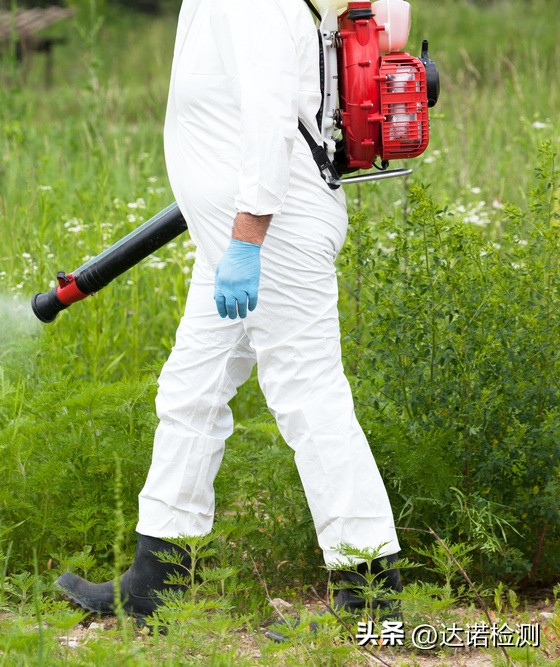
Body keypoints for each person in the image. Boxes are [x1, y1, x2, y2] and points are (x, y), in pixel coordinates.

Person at [56, 0, 403, 632]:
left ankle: (369, 596)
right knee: (192, 390)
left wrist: (247, 241)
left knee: (308, 396)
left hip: (270, 233)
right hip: (233, 235)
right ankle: (156, 579)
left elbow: (271, 115)